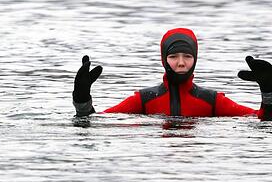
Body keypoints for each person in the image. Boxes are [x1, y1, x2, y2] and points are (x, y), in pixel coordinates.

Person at [72, 28, 272, 119]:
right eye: (174, 56)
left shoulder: (212, 101)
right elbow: (94, 121)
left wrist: (269, 91)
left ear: (195, 59)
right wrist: (82, 98)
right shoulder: (144, 100)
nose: (181, 63)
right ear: (163, 59)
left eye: (187, 56)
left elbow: (262, 119)